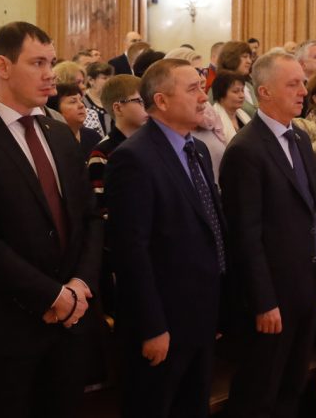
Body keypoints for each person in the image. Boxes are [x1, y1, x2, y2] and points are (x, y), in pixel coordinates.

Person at [0, 22, 102, 417]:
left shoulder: (60, 134)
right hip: (7, 330)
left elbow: (90, 219)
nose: (50, 74)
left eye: (52, 62)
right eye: (37, 63)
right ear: (3, 66)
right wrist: (51, 295)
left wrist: (79, 286)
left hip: (70, 324)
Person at [106, 58, 226, 417]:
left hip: (201, 314)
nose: (203, 97)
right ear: (160, 100)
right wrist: (153, 327)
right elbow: (131, 252)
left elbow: (210, 228)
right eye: (192, 89)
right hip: (163, 321)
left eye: (202, 87)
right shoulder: (133, 158)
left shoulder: (196, 149)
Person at [219, 52, 316, 418]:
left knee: (291, 386)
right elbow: (245, 236)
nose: (303, 92)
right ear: (264, 92)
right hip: (273, 295)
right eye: (293, 84)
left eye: (303, 83)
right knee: (259, 391)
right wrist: (263, 301)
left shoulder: (299, 138)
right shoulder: (246, 149)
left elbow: (313, 212)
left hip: (305, 284)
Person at [87, 75, 147, 208]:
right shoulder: (102, 153)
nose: (147, 106)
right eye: (140, 101)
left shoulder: (152, 144)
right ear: (118, 108)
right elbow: (101, 205)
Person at [52, 82, 102, 160]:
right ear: (55, 110)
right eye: (73, 102)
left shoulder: (93, 136)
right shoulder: (52, 142)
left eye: (81, 100)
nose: (81, 105)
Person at [209, 71, 252, 142]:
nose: (242, 95)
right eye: (236, 91)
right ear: (221, 94)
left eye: (242, 91)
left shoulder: (243, 114)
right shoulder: (213, 120)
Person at [217, 41, 257, 117]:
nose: (249, 61)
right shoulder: (219, 87)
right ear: (231, 58)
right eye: (245, 57)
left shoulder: (249, 86)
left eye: (249, 57)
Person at [82, 62, 114, 137]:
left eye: (110, 77)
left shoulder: (113, 99)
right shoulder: (82, 101)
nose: (109, 81)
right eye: (105, 78)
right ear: (91, 80)